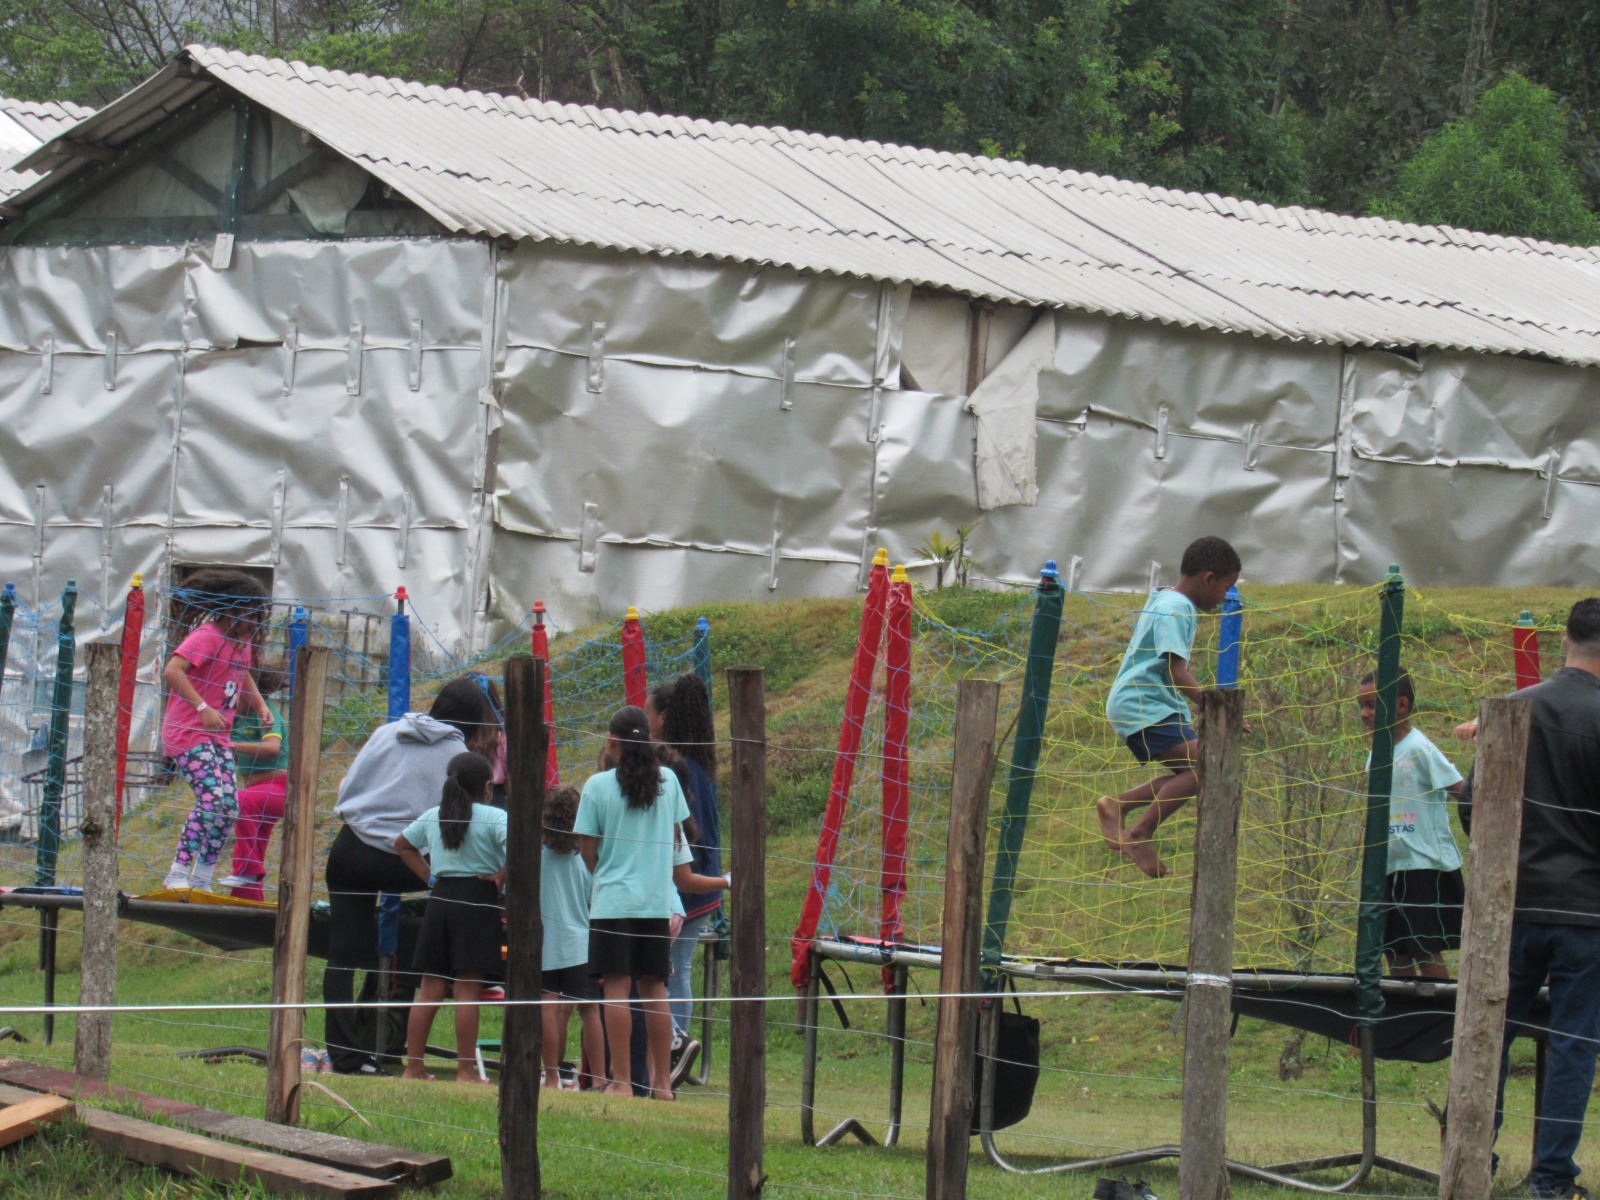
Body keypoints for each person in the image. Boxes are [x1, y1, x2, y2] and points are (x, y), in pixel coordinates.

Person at [1470, 598, 1600, 1200]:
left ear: (1565, 640)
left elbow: (1473, 804)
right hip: (1586, 911)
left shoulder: (1513, 708)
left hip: (1510, 903)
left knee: (1489, 1034)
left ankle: (1473, 1158)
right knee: (1574, 1043)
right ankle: (1551, 1177)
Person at [323, 676, 498, 1074]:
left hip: (349, 849)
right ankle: (468, 968)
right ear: (474, 720)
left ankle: (346, 1057)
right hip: (404, 859)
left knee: (341, 956)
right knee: (455, 901)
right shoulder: (458, 754)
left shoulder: (386, 732)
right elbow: (455, 821)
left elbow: (347, 790)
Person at [576, 706, 728, 1099]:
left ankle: (622, 1081)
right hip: (657, 903)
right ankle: (662, 1084)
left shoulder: (597, 787)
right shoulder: (669, 785)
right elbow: (677, 845)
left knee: (616, 990)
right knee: (654, 990)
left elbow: (587, 851)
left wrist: (608, 874)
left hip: (612, 903)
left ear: (612, 742)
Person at [1096, 536, 1241, 878]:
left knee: (1191, 771)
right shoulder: (1176, 609)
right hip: (1143, 705)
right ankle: (1139, 833)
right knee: (1206, 765)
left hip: (1153, 703)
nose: (1225, 597)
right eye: (1226, 587)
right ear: (1208, 578)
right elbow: (1177, 673)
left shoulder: (1168, 600)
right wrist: (1218, 710)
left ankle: (1118, 805)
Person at [395, 752, 506, 1084]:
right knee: (466, 990)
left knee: (429, 989)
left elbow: (402, 845)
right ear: (488, 786)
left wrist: (430, 877)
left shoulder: (434, 816)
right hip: (477, 900)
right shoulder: (495, 817)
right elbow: (522, 849)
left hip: (440, 899)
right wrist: (502, 874)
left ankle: (412, 1068)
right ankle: (464, 1071)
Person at [160, 570, 272, 891]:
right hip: (188, 732)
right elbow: (173, 670)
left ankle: (203, 877)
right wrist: (202, 708)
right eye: (249, 614)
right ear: (232, 610)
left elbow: (243, 673)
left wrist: (261, 705)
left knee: (229, 807)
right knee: (211, 800)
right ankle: (178, 872)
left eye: (258, 615)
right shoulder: (208, 637)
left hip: (218, 736)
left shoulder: (243, 642)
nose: (254, 622)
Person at [1356, 670, 1465, 979]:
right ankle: (1405, 1021)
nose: (1365, 714)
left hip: (1423, 865)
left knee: (1423, 947)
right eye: (1361, 706)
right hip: (1388, 866)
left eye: (1372, 705)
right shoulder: (1377, 754)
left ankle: (1440, 1019)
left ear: (1401, 705)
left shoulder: (1419, 748)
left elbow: (1461, 790)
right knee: (1394, 951)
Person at [647, 673, 723, 1086]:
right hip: (699, 880)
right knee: (679, 969)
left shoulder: (679, 770)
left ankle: (674, 1047)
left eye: (649, 715)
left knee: (672, 969)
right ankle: (674, 1046)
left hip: (688, 883)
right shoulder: (698, 765)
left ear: (665, 719)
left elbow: (694, 835)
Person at [540, 785, 604, 1090]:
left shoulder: (536, 859)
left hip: (546, 944)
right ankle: (601, 1079)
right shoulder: (587, 860)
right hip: (581, 944)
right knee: (590, 1010)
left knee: (547, 1007)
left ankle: (551, 1076)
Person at [219, 661, 290, 901]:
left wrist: (233, 746)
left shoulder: (267, 714)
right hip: (257, 790)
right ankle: (246, 899)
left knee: (241, 802)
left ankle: (247, 870)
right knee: (254, 842)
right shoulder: (238, 718)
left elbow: (272, 748)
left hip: (278, 789)